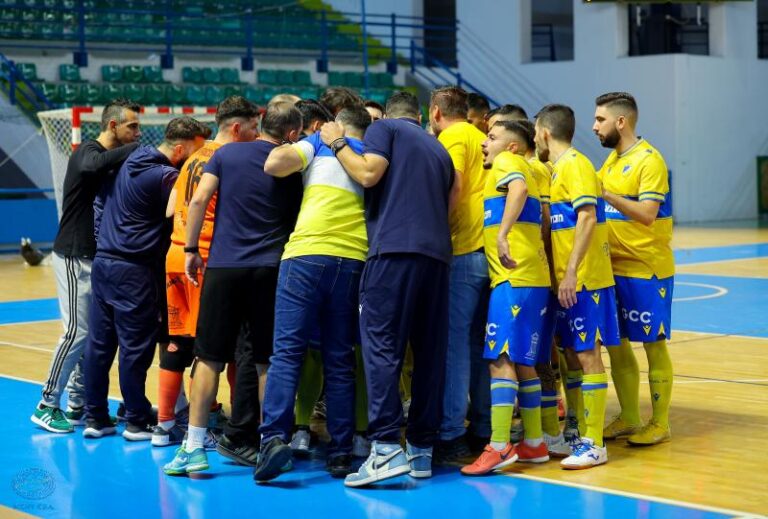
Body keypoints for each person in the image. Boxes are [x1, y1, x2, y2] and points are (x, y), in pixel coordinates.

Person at [319, 91, 454, 487]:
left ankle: (383, 449)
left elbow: (367, 173)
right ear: (424, 116)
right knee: (429, 354)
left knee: (381, 348)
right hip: (437, 256)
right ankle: (421, 450)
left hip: (393, 251)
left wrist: (336, 141)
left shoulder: (383, 128)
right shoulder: (439, 148)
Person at [163, 103, 303, 476]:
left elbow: (197, 199)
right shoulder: (293, 161)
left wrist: (191, 249)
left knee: (208, 357)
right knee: (264, 359)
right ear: (292, 132)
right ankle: (272, 440)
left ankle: (193, 446)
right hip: (271, 269)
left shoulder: (226, 154)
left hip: (224, 266)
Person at [252, 105, 373, 481]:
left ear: (336, 125)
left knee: (287, 353)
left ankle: (274, 440)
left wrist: (310, 141)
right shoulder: (370, 156)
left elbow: (274, 164)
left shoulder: (318, 145)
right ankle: (340, 452)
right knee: (340, 359)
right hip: (353, 260)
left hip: (305, 256)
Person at [83, 116, 209, 440]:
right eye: (195, 153)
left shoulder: (127, 160)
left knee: (99, 345)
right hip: (133, 270)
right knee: (135, 348)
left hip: (104, 262)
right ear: (180, 149)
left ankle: (95, 417)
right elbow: (176, 211)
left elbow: (99, 204)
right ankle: (137, 420)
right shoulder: (166, 176)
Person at [152, 96, 260, 448]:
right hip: (205, 257)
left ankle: (165, 423)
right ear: (236, 127)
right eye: (254, 127)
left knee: (177, 341)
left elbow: (172, 207)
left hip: (175, 253)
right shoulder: (227, 159)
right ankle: (209, 420)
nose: (258, 133)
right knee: (214, 349)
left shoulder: (192, 158)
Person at [31, 99, 141, 434]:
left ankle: (77, 402)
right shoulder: (86, 153)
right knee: (76, 331)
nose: (137, 133)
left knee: (93, 334)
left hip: (94, 257)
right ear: (112, 126)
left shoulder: (109, 159)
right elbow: (96, 164)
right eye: (132, 127)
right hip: (72, 254)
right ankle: (47, 404)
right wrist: (138, 149)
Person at [461, 120, 551, 475]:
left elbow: (517, 190)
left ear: (512, 146)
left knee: (499, 359)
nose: (486, 143)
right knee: (524, 362)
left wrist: (503, 235)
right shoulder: (537, 168)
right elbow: (544, 218)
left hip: (513, 277)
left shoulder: (507, 164)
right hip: (535, 277)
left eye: (493, 138)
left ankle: (498, 446)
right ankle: (534, 442)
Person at [534, 104, 621, 469]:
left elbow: (587, 218)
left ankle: (595, 443)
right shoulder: (557, 172)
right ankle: (580, 432)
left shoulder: (576, 165)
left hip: (586, 280)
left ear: (544, 133)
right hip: (571, 282)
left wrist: (570, 273)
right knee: (572, 354)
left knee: (588, 356)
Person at [593, 92, 674, 446]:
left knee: (653, 345)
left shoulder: (649, 160)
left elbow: (647, 214)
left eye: (600, 120)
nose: (595, 126)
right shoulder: (610, 162)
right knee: (618, 347)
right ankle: (628, 417)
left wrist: (606, 195)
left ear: (621, 122)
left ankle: (660, 423)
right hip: (612, 269)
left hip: (646, 269)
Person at [428, 86, 491, 460]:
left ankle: (451, 432)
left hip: (464, 249)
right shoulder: (482, 136)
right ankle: (483, 428)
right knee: (481, 346)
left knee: (453, 345)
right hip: (491, 253)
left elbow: (454, 185)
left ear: (435, 111)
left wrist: (439, 229)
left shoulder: (452, 137)